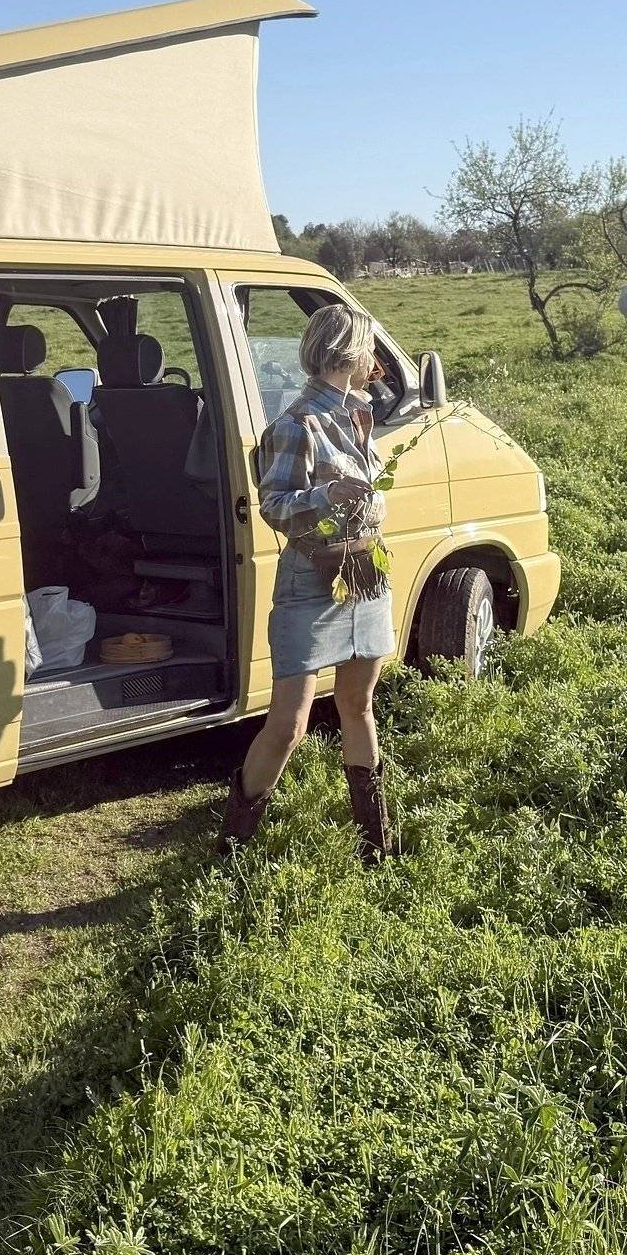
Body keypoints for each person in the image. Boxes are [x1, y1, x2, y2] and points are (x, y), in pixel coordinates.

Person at [217, 302, 398, 864]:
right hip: (310, 581)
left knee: (358, 704)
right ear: (349, 352)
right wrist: (327, 497)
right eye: (369, 347)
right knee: (290, 722)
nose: (375, 359)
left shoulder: (357, 413)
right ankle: (233, 847)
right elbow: (272, 507)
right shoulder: (296, 424)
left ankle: (376, 846)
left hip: (364, 571)